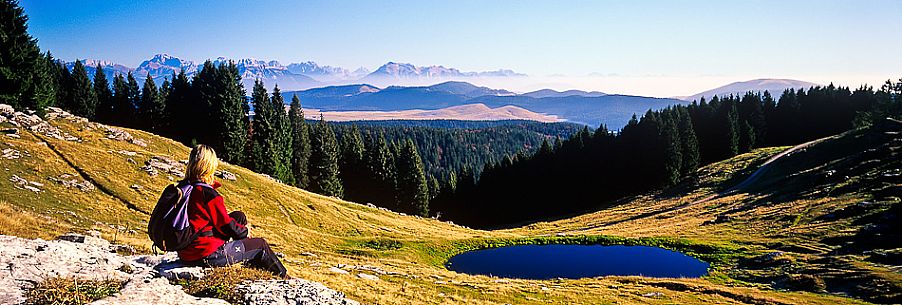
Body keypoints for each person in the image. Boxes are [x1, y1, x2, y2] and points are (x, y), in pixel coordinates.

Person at [177, 144, 287, 277]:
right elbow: (225, 225)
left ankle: (249, 263)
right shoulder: (207, 194)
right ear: (209, 166)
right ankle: (284, 278)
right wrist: (245, 231)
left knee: (238, 216)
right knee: (261, 244)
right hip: (206, 254)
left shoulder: (184, 188)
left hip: (186, 251)